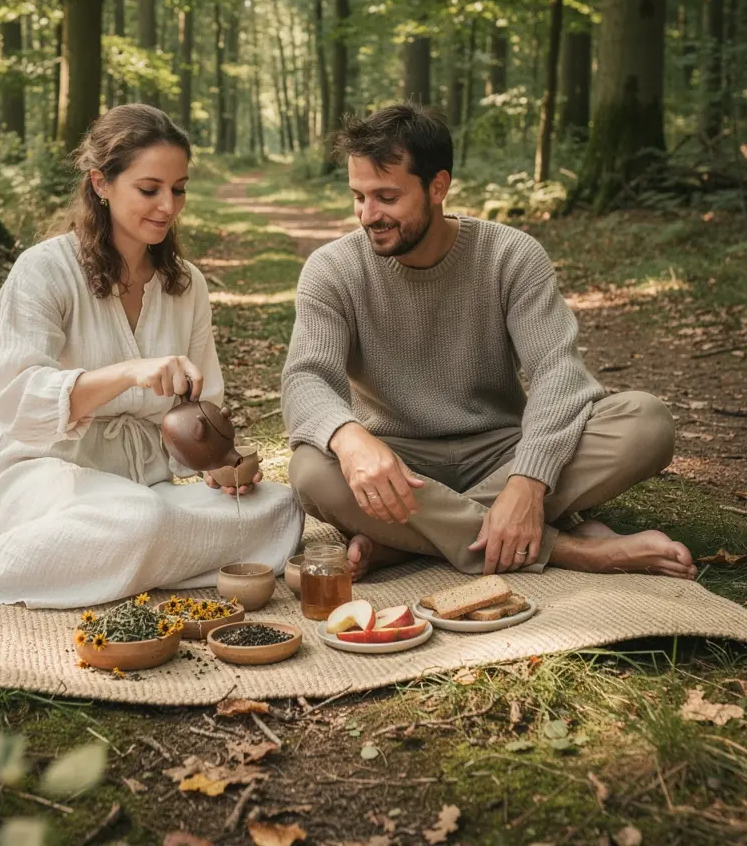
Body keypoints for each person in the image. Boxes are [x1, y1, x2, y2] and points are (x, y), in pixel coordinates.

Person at [0, 105, 303, 634]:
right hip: (39, 468)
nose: (168, 206)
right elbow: (18, 400)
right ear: (101, 182)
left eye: (180, 189)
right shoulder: (44, 270)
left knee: (279, 508)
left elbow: (198, 403)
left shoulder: (185, 283)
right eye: (149, 189)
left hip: (140, 480)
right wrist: (128, 373)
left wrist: (216, 463)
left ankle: (108, 555)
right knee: (140, 520)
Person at [282, 103, 696, 583]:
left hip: (504, 449)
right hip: (396, 462)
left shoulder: (511, 255)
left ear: (438, 187)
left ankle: (405, 542)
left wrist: (528, 481)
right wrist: (350, 438)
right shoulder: (332, 269)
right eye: (358, 196)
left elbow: (558, 374)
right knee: (312, 470)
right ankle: (575, 551)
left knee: (646, 422)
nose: (368, 215)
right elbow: (305, 379)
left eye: (387, 197)